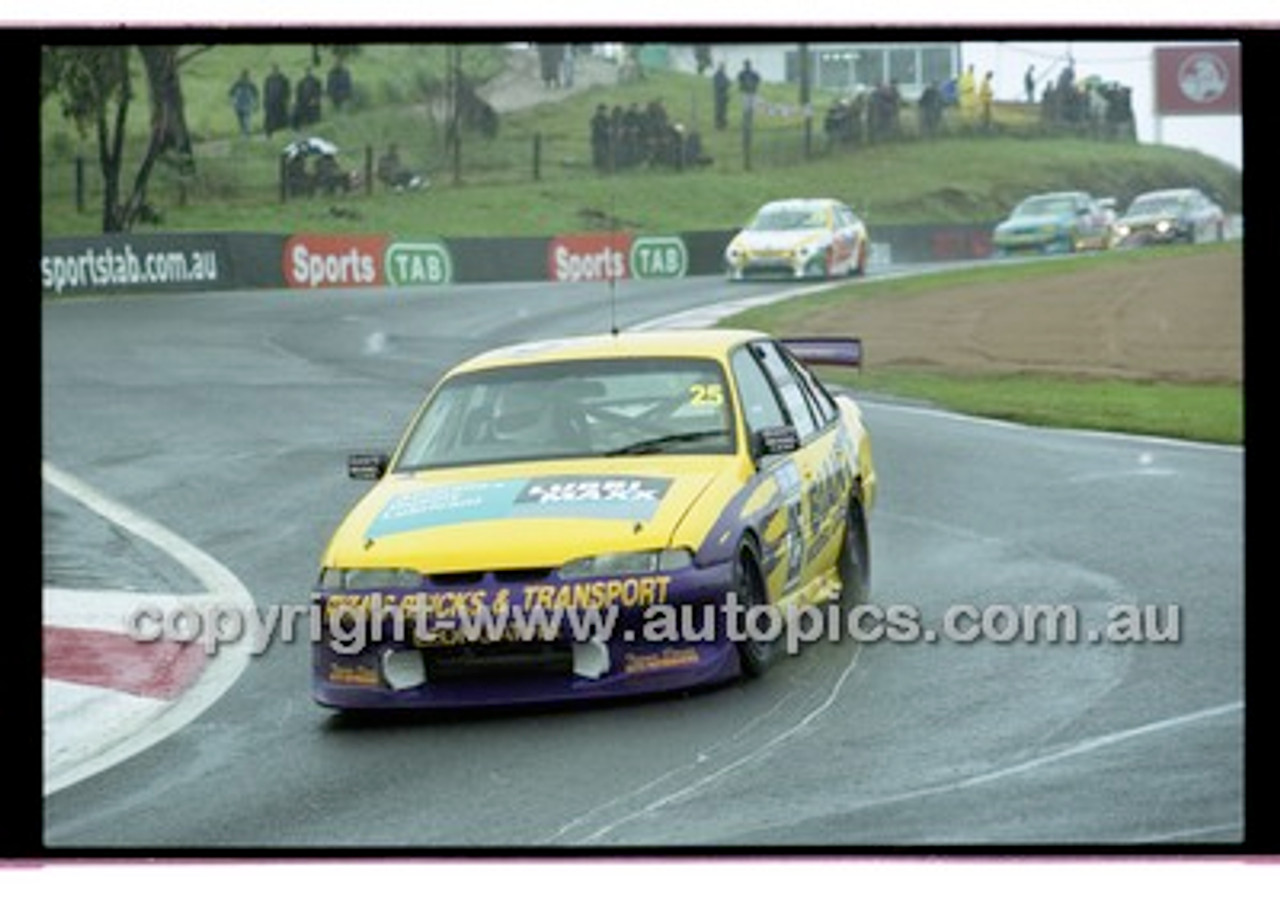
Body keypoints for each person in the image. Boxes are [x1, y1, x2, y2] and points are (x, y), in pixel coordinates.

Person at [228, 69, 259, 137]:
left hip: (246, 103)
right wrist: (232, 100)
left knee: (246, 118)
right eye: (244, 75)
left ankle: (246, 132)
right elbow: (231, 92)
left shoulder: (250, 83)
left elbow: (256, 93)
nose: (245, 77)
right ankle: (244, 132)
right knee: (241, 119)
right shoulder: (238, 83)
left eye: (245, 75)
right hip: (239, 104)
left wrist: (256, 103)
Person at [262, 64, 290, 137]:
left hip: (280, 102)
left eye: (275, 69)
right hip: (271, 101)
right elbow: (266, 91)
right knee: (270, 118)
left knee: (281, 118)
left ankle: (281, 132)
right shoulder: (268, 79)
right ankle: (269, 133)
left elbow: (287, 90)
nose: (274, 71)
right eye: (273, 70)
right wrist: (265, 100)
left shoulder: (283, 79)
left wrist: (286, 99)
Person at [712, 62, 730, 130]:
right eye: (722, 67)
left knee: (724, 111)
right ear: (720, 67)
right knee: (719, 111)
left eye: (724, 67)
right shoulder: (717, 75)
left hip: (724, 96)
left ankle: (723, 125)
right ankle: (718, 125)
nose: (723, 68)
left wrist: (727, 84)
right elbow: (719, 86)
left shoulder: (724, 75)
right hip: (719, 96)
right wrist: (726, 84)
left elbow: (728, 82)